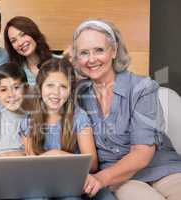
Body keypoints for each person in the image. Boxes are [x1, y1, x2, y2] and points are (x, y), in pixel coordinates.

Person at [73, 19, 181, 200]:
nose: (91, 59)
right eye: (84, 53)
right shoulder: (78, 94)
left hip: (163, 168)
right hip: (121, 179)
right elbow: (49, 80)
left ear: (114, 50)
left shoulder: (142, 87)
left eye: (99, 50)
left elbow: (142, 154)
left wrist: (99, 179)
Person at [19, 57, 116, 200]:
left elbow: (93, 165)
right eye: (50, 85)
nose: (56, 93)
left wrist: (58, 154)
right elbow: (31, 163)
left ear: (70, 91)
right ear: (40, 87)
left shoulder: (79, 117)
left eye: (63, 87)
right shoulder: (29, 120)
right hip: (41, 183)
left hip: (71, 184)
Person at [4, 16, 53, 86]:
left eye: (23, 35)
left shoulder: (60, 62)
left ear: (33, 33)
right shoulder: (15, 73)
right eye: (13, 41)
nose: (20, 43)